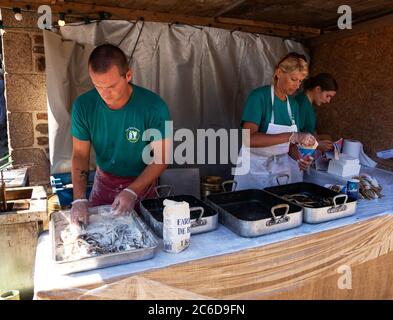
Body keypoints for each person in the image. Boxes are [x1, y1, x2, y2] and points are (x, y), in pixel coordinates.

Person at [70, 44, 171, 225]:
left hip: (143, 183)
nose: (104, 94)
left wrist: (132, 190)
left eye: (111, 86)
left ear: (128, 76)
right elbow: (80, 154)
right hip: (104, 181)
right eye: (98, 86)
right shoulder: (83, 106)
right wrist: (79, 199)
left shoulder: (155, 107)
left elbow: (162, 158)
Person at [233, 52, 317, 190]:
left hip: (280, 171)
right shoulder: (259, 97)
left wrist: (300, 159)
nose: (297, 86)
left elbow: (290, 146)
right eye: (293, 79)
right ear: (279, 72)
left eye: (300, 81)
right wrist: (291, 136)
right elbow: (248, 139)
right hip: (254, 170)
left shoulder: (294, 104)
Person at [296, 73, 338, 152]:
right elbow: (295, 136)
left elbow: (309, 129)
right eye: (327, 96)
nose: (328, 101)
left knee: (327, 138)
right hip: (299, 150)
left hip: (308, 144)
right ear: (318, 89)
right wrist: (317, 144)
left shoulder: (309, 104)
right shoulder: (301, 103)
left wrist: (319, 139)